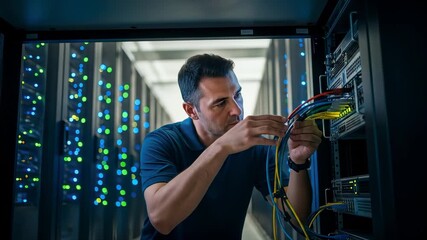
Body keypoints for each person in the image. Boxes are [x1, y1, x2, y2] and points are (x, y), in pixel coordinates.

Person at [139, 53, 322, 240]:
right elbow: (161, 219)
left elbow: (295, 215)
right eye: (220, 102)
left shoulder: (254, 149)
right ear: (191, 110)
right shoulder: (162, 142)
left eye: (237, 95)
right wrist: (222, 147)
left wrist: (297, 162)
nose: (237, 110)